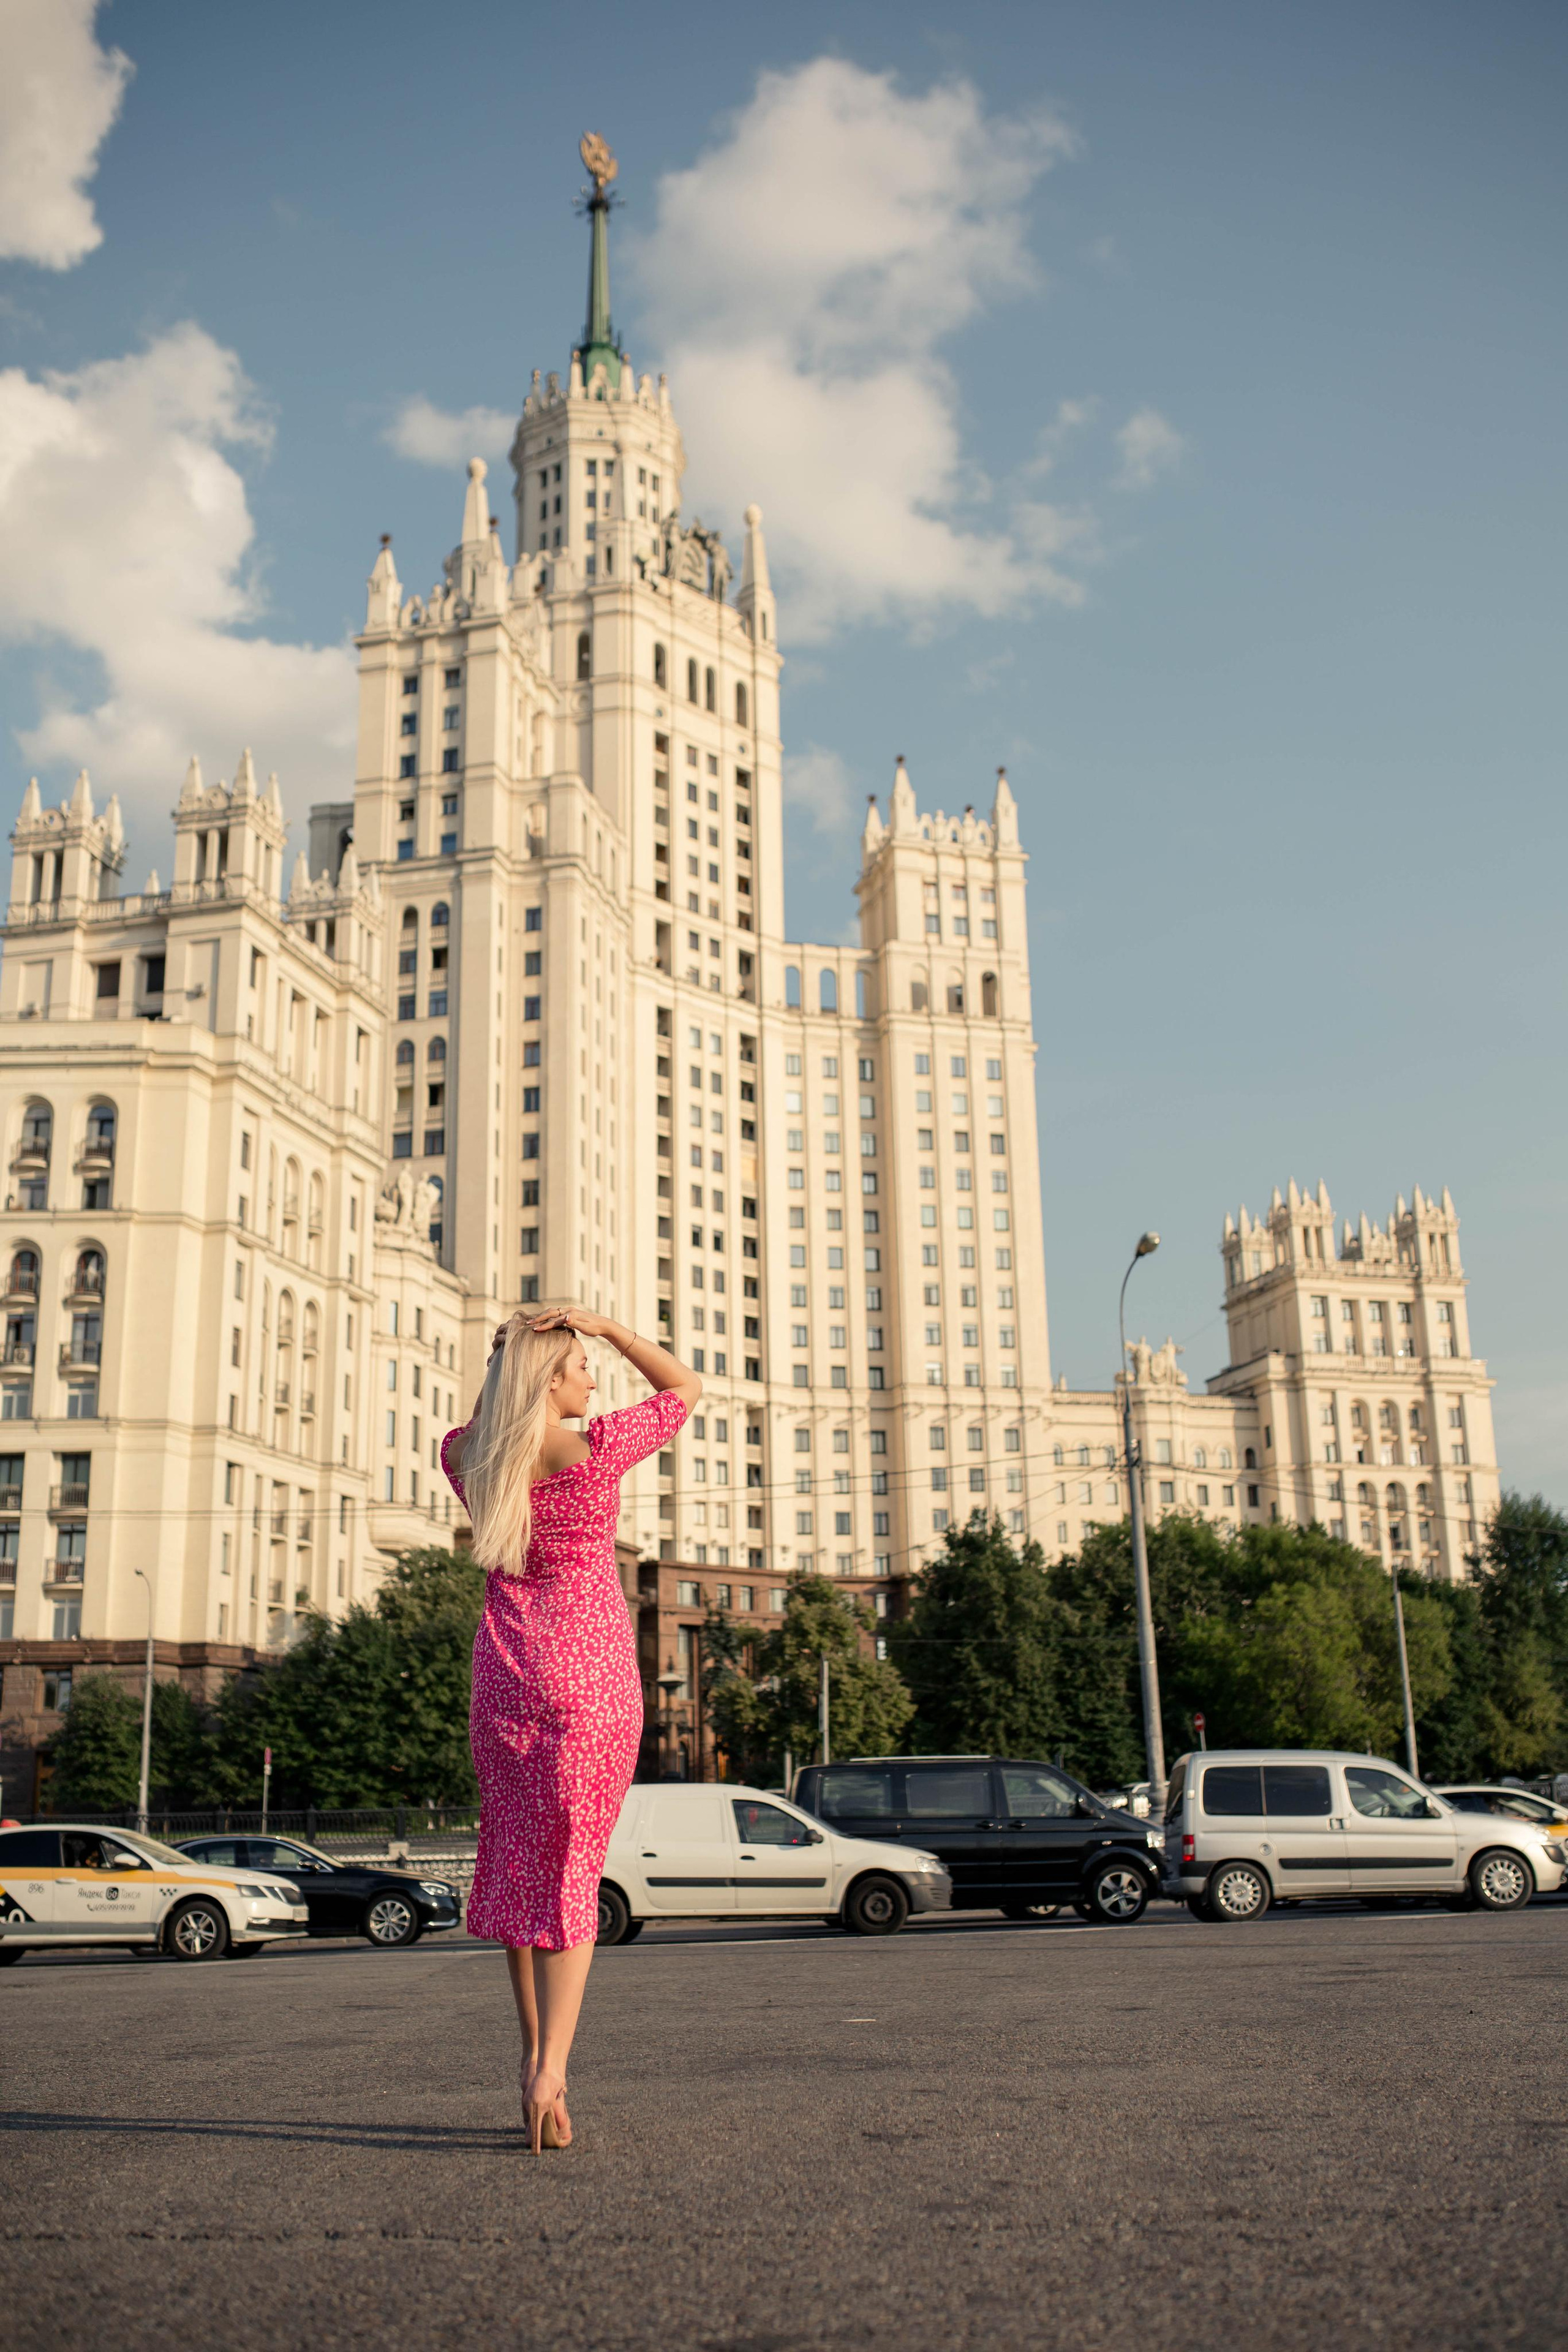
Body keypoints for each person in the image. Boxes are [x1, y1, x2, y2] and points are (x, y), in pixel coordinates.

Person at [440, 1306, 701, 2152]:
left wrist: (507, 1359)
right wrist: (614, 1328)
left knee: (519, 1865)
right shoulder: (594, 1453)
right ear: (551, 1379)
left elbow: (481, 1421)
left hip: (505, 1680)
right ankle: (554, 2066)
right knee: (572, 1876)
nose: (596, 1378)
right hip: (586, 1683)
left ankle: (531, 2067)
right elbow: (686, 1386)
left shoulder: (467, 1458)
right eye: (583, 1365)